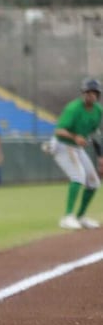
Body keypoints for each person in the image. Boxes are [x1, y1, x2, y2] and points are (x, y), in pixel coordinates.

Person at [45, 77, 103, 230]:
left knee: (94, 182)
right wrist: (75, 137)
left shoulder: (98, 111)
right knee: (78, 177)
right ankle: (67, 217)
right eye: (87, 92)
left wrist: (100, 157)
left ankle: (80, 217)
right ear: (83, 93)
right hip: (62, 145)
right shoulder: (73, 108)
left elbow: (95, 135)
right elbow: (59, 130)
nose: (90, 95)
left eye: (94, 93)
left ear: (98, 95)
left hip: (76, 148)